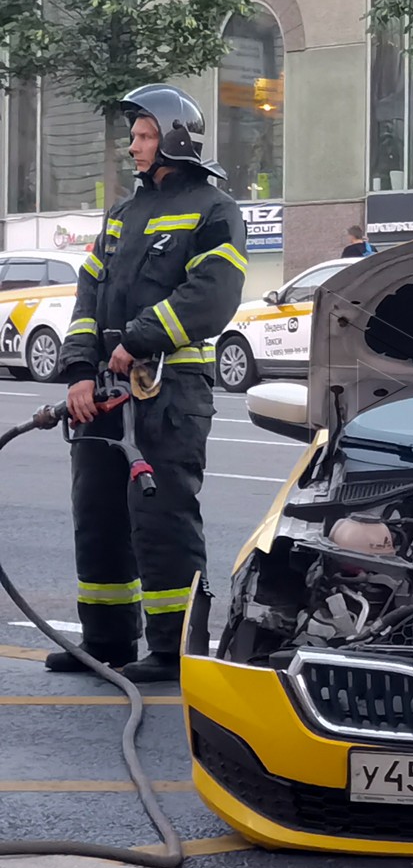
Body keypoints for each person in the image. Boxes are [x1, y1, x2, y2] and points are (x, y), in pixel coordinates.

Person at [48, 84, 248, 683]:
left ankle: (172, 647)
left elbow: (212, 296)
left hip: (169, 392)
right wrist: (80, 371)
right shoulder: (122, 215)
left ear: (174, 139)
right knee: (99, 512)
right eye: (132, 136)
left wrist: (136, 339)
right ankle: (107, 640)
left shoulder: (214, 209)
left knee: (162, 520)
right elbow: (88, 296)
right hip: (104, 393)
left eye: (143, 135)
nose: (131, 146)